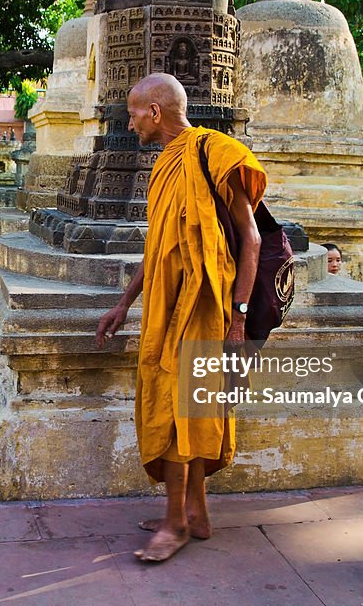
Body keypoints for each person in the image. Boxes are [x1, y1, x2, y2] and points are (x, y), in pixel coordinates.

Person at [96, 73, 267, 562]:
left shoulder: (213, 151)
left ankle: (174, 524)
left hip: (207, 309)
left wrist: (237, 320)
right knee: (183, 408)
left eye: (132, 113)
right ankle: (196, 512)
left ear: (154, 111)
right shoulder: (165, 165)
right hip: (165, 309)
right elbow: (159, 248)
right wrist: (125, 304)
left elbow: (250, 239)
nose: (129, 124)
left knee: (180, 409)